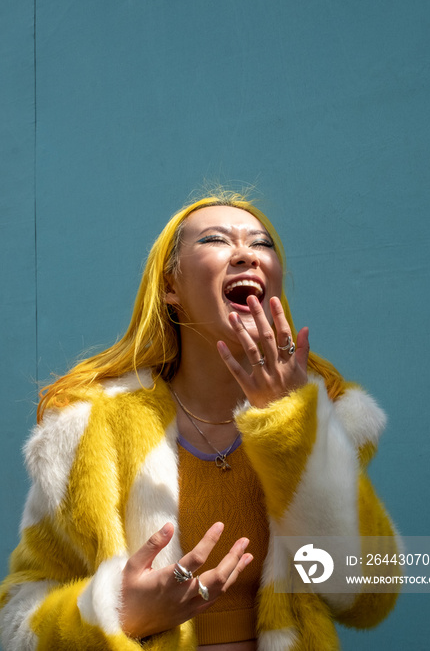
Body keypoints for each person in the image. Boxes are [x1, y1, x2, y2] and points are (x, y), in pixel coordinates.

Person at [0, 189, 399, 651]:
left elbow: (366, 595)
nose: (246, 254)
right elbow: (15, 619)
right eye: (216, 240)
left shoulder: (325, 419)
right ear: (171, 287)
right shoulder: (89, 432)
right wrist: (115, 614)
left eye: (262, 244)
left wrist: (290, 425)